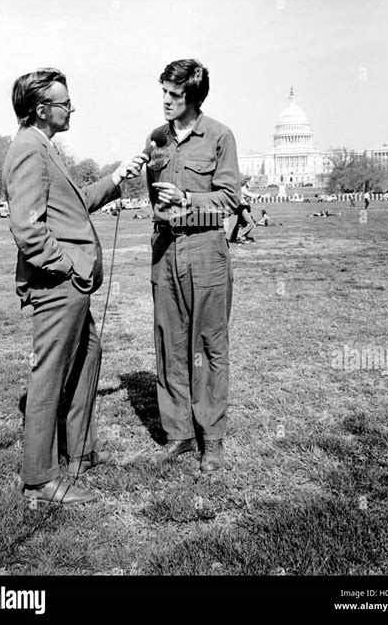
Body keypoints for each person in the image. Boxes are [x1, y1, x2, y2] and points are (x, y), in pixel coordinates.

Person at [3, 68, 146, 505]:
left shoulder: (44, 147)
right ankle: (41, 479)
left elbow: (74, 204)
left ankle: (80, 450)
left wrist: (118, 177)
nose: (73, 108)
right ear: (42, 110)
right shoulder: (29, 150)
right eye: (66, 102)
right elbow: (28, 230)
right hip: (58, 285)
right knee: (48, 375)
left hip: (69, 284)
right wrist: (66, 267)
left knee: (90, 354)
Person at [145, 59, 240, 473]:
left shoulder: (220, 136)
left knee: (208, 347)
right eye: (163, 91)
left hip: (205, 251)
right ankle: (179, 433)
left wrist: (187, 200)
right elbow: (153, 196)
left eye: (175, 94)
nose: (165, 100)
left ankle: (212, 439)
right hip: (165, 251)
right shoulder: (155, 138)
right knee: (169, 342)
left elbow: (230, 199)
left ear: (194, 98)